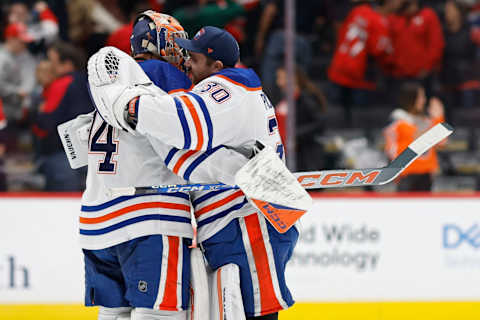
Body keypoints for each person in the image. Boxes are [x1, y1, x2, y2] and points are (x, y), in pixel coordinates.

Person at [89, 26, 299, 320]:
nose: (186, 62)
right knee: (237, 308)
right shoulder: (239, 90)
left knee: (253, 310)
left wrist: (131, 107)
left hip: (245, 218)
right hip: (238, 217)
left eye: (196, 58)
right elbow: (189, 160)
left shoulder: (230, 85)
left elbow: (182, 126)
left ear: (217, 67)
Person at [79, 11, 194, 320]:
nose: (184, 52)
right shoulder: (161, 73)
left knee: (112, 314)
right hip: (148, 216)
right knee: (159, 313)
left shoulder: (116, 81)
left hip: (97, 219)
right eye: (178, 42)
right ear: (163, 42)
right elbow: (192, 130)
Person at [30, 41, 92, 191]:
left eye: (52, 61)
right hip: (90, 153)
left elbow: (44, 124)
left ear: (67, 64)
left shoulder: (62, 84)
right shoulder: (89, 81)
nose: (48, 65)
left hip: (62, 155)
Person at [328, 0, 398, 126]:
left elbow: (341, 31)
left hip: (339, 67)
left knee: (338, 118)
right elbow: (379, 50)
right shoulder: (379, 21)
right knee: (360, 119)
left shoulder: (359, 10)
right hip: (359, 75)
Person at [383, 82, 445, 191]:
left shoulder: (427, 120)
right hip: (406, 173)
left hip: (426, 172)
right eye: (421, 96)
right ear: (411, 98)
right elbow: (390, 147)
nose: (423, 100)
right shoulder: (397, 119)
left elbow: (442, 142)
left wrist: (439, 118)